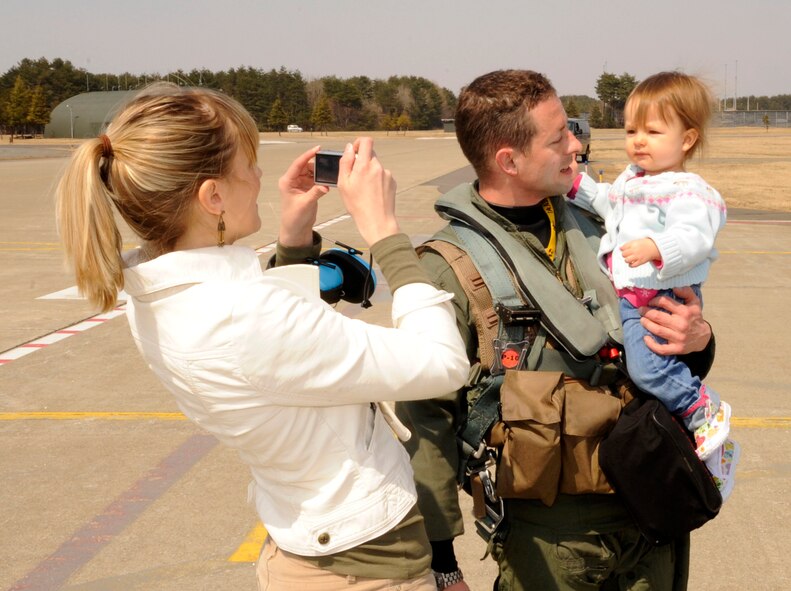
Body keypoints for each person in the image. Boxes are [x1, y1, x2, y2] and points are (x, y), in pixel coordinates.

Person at [55, 84, 470, 590]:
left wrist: (293, 241)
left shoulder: (163, 296)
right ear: (213, 197)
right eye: (247, 166)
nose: (258, 177)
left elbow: (286, 359)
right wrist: (385, 232)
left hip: (309, 549)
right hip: (364, 571)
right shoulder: (242, 315)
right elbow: (440, 362)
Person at [396, 70, 717, 591]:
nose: (577, 143)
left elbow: (671, 332)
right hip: (549, 538)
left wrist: (699, 338)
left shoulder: (610, 224)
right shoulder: (447, 267)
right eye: (558, 137)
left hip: (652, 507)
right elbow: (427, 420)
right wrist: (442, 559)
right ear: (509, 160)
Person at [566, 71, 738, 495]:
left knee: (648, 371)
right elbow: (608, 204)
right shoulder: (631, 181)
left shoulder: (688, 190)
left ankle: (703, 411)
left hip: (661, 290)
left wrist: (656, 246)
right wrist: (577, 186)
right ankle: (703, 443)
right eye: (631, 130)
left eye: (653, 131)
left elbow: (696, 237)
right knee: (652, 371)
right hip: (633, 292)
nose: (639, 140)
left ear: (687, 139)